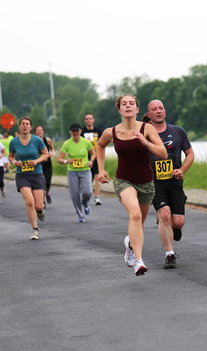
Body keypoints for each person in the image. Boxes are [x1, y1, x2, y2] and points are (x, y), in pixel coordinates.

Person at [96, 94, 166, 276]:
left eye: (131, 103)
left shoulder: (147, 128)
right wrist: (101, 169)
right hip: (123, 181)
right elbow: (100, 146)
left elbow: (163, 154)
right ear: (119, 110)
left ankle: (129, 244)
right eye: (124, 104)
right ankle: (139, 261)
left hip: (146, 182)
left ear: (137, 109)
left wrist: (145, 142)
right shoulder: (111, 132)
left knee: (139, 225)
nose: (128, 106)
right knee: (134, 215)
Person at [147, 99, 194, 269]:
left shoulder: (177, 131)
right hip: (155, 183)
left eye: (161, 108)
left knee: (178, 222)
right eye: (154, 109)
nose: (158, 111)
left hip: (174, 182)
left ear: (165, 112)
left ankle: (171, 226)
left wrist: (182, 169)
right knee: (165, 215)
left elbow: (190, 154)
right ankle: (170, 255)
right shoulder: (144, 134)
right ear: (149, 114)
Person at [8, 117, 49, 240]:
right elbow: (10, 156)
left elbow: (46, 154)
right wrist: (14, 162)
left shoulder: (37, 140)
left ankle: (40, 211)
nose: (25, 126)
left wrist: (36, 161)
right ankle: (35, 229)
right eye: (23, 124)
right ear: (19, 126)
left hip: (36, 174)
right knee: (29, 202)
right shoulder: (14, 142)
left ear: (30, 127)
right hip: (22, 175)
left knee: (38, 206)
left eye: (27, 124)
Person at [58, 124, 95, 222]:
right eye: (73, 131)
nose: (75, 133)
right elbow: (59, 158)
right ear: (70, 132)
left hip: (85, 170)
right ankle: (80, 214)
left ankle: (85, 203)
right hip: (72, 172)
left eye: (77, 131)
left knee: (87, 192)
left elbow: (93, 153)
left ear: (80, 131)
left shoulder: (86, 142)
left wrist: (91, 161)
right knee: (75, 194)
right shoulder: (67, 143)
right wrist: (66, 161)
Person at [81, 113, 103, 205]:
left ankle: (97, 197)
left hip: (97, 156)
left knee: (97, 177)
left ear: (93, 120)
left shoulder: (98, 131)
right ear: (85, 121)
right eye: (87, 119)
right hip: (86, 157)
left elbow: (102, 144)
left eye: (90, 118)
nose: (89, 120)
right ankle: (87, 194)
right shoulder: (82, 132)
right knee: (88, 178)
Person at [34, 125, 55, 204]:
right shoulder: (34, 141)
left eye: (41, 130)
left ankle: (47, 193)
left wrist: (52, 153)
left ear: (43, 132)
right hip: (39, 164)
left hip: (47, 163)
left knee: (48, 183)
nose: (39, 131)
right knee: (41, 182)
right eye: (38, 130)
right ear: (35, 132)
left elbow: (52, 148)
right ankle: (42, 201)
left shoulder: (47, 140)